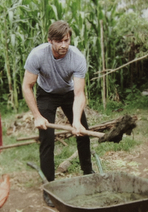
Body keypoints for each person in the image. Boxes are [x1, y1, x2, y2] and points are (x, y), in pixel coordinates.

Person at [22, 20, 94, 207]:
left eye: (67, 40)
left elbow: (79, 93)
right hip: (46, 94)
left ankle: (89, 175)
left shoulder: (76, 57)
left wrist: (76, 121)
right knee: (47, 138)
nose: (64, 45)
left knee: (83, 132)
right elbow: (27, 86)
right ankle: (49, 187)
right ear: (50, 41)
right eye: (59, 41)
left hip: (68, 93)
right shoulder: (37, 55)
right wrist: (37, 116)